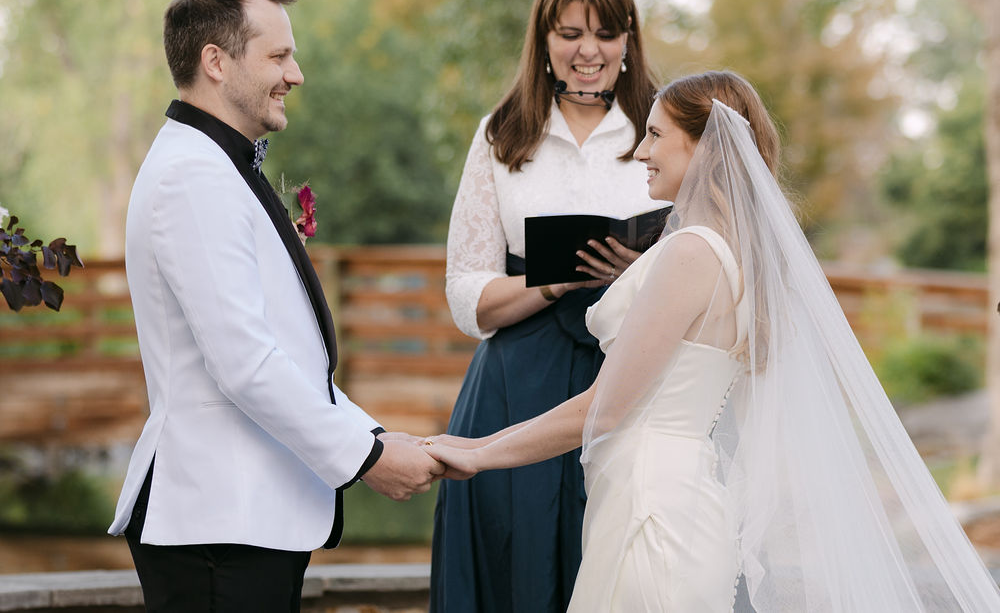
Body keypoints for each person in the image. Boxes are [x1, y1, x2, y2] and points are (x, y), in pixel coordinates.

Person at [426, 70, 1000, 611]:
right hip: (676, 497)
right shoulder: (737, 253)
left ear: (703, 147)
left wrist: (476, 454)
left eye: (654, 135)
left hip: (652, 512)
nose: (642, 152)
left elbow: (602, 409)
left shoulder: (691, 252)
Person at [107, 0, 443, 612]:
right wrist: (366, 459)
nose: (298, 73)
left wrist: (374, 436)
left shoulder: (215, 164)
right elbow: (245, 363)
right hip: (217, 520)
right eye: (279, 56)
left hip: (241, 517)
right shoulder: (192, 177)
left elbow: (282, 348)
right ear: (216, 62)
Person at [432, 0, 661, 612]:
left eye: (605, 33)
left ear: (628, 40)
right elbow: (465, 294)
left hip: (636, 364)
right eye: (569, 34)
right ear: (544, 41)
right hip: (519, 383)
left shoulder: (664, 123)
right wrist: (551, 280)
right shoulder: (502, 134)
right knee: (515, 566)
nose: (588, 51)